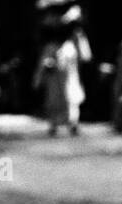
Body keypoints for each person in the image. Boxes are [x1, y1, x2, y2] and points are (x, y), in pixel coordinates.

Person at [34, 7, 92, 136]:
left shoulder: (72, 43)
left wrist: (79, 36)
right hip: (54, 77)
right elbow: (42, 66)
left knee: (71, 96)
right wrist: (41, 76)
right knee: (53, 98)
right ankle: (54, 125)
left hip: (70, 75)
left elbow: (86, 57)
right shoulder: (50, 46)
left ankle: (73, 124)